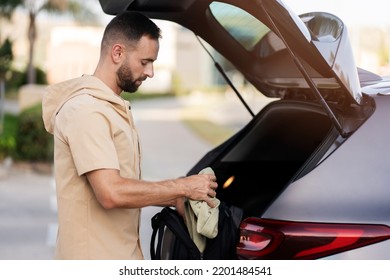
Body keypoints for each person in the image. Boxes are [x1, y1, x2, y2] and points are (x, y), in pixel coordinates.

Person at [42, 11, 217, 260]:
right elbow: (111, 192)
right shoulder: (87, 111)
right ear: (117, 53)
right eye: (145, 61)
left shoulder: (109, 107)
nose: (151, 72)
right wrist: (182, 187)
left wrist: (173, 196)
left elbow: (123, 186)